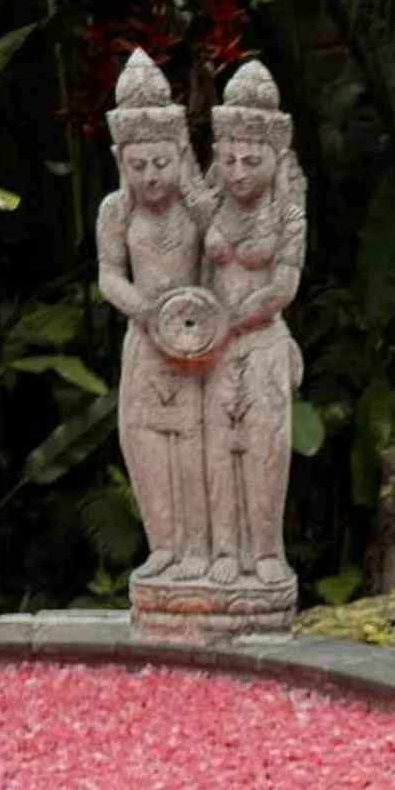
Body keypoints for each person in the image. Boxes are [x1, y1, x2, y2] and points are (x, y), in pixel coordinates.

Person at [96, 50, 215, 581]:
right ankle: (163, 545)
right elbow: (108, 276)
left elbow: (220, 263)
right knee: (143, 443)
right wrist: (145, 310)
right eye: (138, 165)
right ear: (123, 161)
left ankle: (199, 548)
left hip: (195, 344)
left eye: (160, 163)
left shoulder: (197, 207)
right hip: (145, 343)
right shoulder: (115, 211)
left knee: (193, 446)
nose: (150, 177)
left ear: (179, 153)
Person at [201, 61, 306, 591]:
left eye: (252, 158)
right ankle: (224, 548)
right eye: (229, 158)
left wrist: (235, 320)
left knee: (265, 450)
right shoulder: (207, 209)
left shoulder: (287, 212)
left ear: (275, 155)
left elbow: (283, 286)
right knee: (219, 451)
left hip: (261, 342)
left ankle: (265, 550)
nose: (239, 170)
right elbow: (193, 282)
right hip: (214, 352)